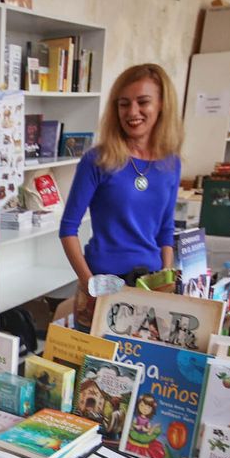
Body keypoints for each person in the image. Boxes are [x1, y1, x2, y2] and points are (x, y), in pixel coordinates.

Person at [59, 62, 184, 328]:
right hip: (104, 284)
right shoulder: (98, 160)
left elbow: (165, 228)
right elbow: (68, 229)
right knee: (95, 366)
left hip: (151, 285)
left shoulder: (171, 163)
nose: (132, 112)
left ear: (161, 104)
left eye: (143, 102)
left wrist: (167, 276)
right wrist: (89, 285)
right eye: (123, 103)